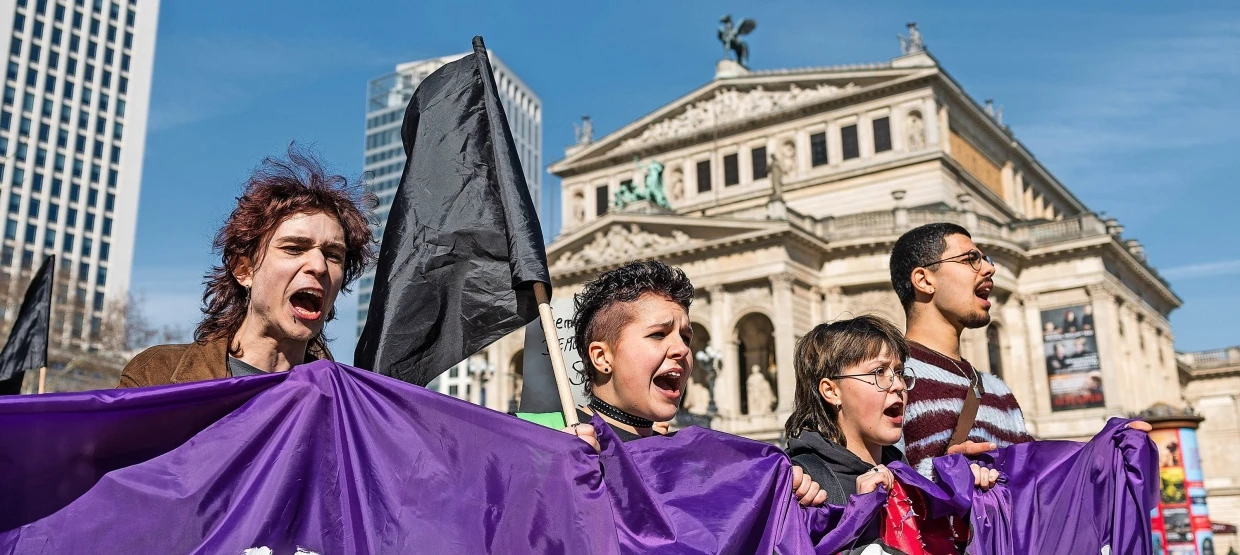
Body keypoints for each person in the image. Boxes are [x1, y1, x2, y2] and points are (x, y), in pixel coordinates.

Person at [572, 260, 825, 505]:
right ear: (602, 357)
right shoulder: (561, 449)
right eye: (658, 334)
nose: (681, 350)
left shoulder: (696, 463)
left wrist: (783, 497)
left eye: (685, 337)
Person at [118, 148, 376, 386]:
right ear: (244, 270)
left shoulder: (349, 403)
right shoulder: (156, 375)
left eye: (333, 255)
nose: (319, 266)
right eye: (294, 248)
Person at [785, 315, 998, 507]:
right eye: (878, 372)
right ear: (831, 391)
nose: (898, 385)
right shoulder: (801, 488)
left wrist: (964, 496)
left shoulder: (908, 479)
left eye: (899, 372)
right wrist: (860, 513)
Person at [889, 223, 1035, 476]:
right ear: (924, 280)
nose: (990, 268)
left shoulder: (1000, 392)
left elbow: (1034, 481)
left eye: (984, 259)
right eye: (971, 259)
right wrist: (946, 479)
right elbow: (877, 485)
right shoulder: (889, 380)